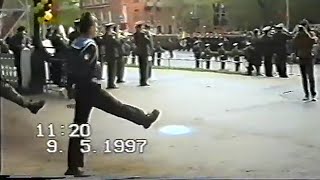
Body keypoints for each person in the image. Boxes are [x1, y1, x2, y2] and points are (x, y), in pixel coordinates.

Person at [65, 12, 161, 176]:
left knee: (79, 125)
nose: (96, 28)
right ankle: (143, 119)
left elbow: (70, 66)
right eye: (95, 25)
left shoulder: (76, 43)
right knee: (118, 108)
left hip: (81, 88)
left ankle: (73, 165)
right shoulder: (89, 45)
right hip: (90, 87)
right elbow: (84, 67)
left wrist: (70, 86)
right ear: (90, 27)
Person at [293, 25, 317, 101]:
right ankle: (313, 94)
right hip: (309, 58)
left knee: (304, 77)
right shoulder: (309, 39)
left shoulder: (297, 39)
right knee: (311, 77)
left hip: (301, 58)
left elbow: (293, 44)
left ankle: (306, 94)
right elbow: (315, 40)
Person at [133, 21, 151, 86]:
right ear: (140, 28)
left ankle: (142, 80)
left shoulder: (135, 34)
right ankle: (144, 81)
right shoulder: (143, 34)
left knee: (141, 67)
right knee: (145, 67)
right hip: (144, 52)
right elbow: (148, 41)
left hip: (139, 52)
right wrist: (148, 35)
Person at [102, 22, 119, 89]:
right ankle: (111, 84)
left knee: (110, 70)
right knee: (112, 70)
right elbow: (117, 43)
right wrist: (117, 35)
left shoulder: (104, 36)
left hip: (108, 54)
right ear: (110, 29)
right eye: (111, 28)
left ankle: (110, 83)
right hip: (113, 55)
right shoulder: (111, 36)